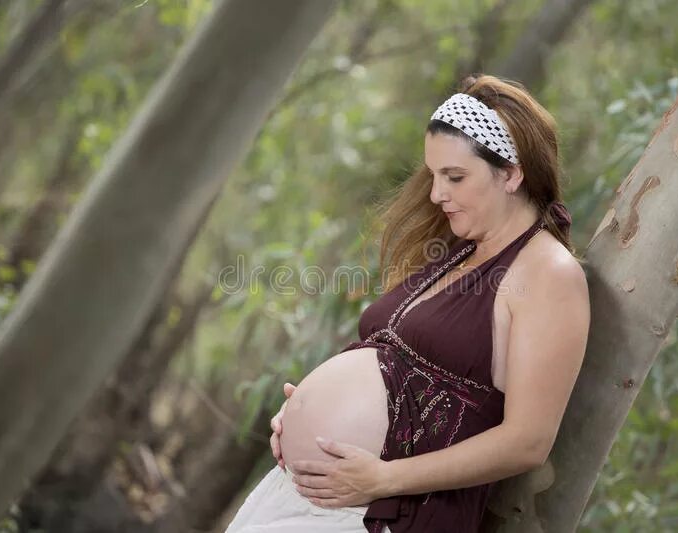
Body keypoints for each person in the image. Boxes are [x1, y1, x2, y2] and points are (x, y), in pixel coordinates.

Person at [226, 74, 590, 532]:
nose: (437, 194)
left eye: (455, 177)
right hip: (307, 495)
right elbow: (394, 368)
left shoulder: (550, 274)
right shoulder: (459, 252)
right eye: (434, 176)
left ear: (511, 174)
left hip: (384, 511)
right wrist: (301, 414)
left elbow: (528, 441)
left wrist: (383, 478)